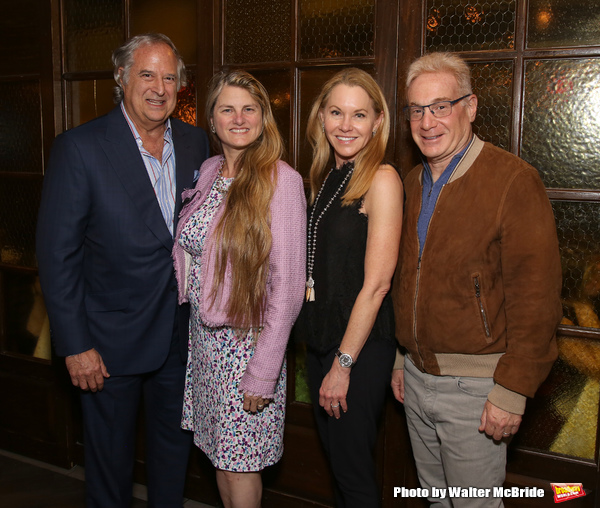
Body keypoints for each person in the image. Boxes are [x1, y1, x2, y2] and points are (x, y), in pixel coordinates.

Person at [36, 33, 209, 507]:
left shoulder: (197, 144)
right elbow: (57, 257)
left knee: (173, 465)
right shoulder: (80, 148)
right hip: (106, 349)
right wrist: (75, 345)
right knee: (109, 473)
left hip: (179, 340)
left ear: (181, 86)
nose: (159, 87)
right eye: (146, 74)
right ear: (121, 78)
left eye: (169, 77)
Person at [391, 52, 562, 507]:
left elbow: (537, 300)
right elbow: (406, 279)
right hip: (416, 377)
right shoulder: (410, 182)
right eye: (416, 109)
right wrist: (401, 357)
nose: (427, 122)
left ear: (470, 106)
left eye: (441, 106)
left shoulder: (513, 181)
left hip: (478, 391)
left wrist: (512, 390)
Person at [172, 70, 306, 508]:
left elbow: (287, 288)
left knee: (239, 465)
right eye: (227, 108)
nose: (239, 118)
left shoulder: (280, 180)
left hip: (247, 350)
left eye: (250, 108)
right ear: (211, 119)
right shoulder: (210, 170)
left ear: (264, 117)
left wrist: (264, 371)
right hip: (205, 347)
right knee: (220, 461)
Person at [296, 68, 403, 507]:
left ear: (378, 121)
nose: (346, 125)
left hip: (356, 352)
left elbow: (377, 285)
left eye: (359, 115)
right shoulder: (324, 177)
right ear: (321, 117)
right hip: (323, 343)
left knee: (355, 479)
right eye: (336, 112)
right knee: (341, 472)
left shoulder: (381, 179)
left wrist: (343, 365)